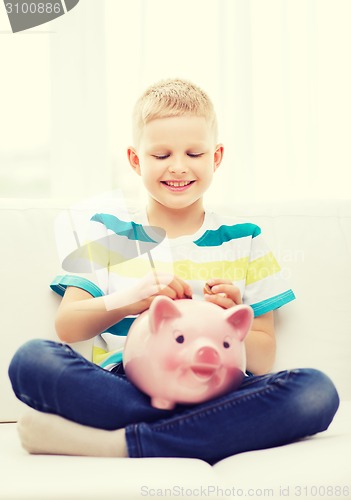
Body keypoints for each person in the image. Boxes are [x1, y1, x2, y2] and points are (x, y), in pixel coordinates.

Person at [8, 78, 339, 464]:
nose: (178, 167)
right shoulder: (108, 234)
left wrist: (229, 321)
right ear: (136, 160)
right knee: (32, 360)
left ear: (216, 157)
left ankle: (122, 443)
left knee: (316, 391)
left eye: (194, 154)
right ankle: (210, 431)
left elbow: (263, 359)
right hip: (127, 384)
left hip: (219, 386)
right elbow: (68, 326)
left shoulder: (245, 239)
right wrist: (128, 301)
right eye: (161, 155)